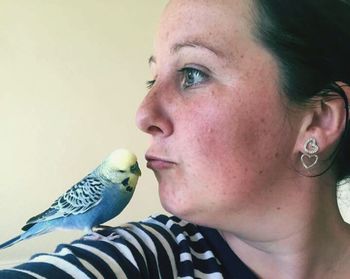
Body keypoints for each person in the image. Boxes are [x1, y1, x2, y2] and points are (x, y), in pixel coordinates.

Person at [2, 0, 350, 278]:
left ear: (318, 121)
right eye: (152, 80)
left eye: (192, 74)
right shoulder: (141, 259)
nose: (143, 114)